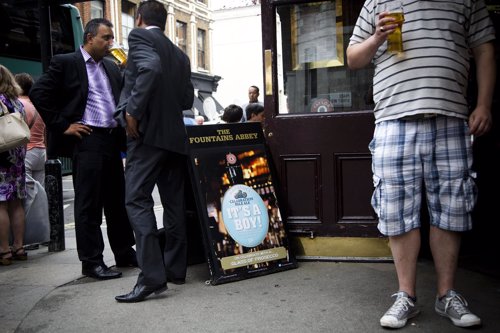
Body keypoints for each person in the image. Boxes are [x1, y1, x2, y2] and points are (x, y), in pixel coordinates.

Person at [347, 1, 495, 329]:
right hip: (393, 119)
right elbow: (353, 58)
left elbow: (484, 49)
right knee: (397, 209)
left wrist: (484, 104)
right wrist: (376, 38)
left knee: (452, 207)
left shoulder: (467, 0)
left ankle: (447, 296)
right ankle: (406, 296)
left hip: (453, 117)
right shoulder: (378, 1)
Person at [29, 18, 137, 280]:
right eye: (106, 38)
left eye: (112, 38)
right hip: (87, 141)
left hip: (112, 141)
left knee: (116, 202)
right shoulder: (66, 63)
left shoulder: (111, 67)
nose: (111, 43)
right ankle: (91, 262)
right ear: (89, 38)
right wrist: (63, 125)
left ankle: (124, 252)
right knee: (89, 205)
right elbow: (39, 93)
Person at [114, 0, 194, 303]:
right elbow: (187, 99)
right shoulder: (180, 54)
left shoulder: (139, 38)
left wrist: (133, 112)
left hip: (145, 136)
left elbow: (150, 68)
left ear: (138, 19)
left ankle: (151, 278)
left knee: (136, 200)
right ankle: (174, 270)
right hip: (174, 138)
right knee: (174, 206)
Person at [0, 65, 28, 265]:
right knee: (16, 203)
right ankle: (19, 246)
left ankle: (4, 250)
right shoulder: (17, 102)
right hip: (17, 156)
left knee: (0, 204)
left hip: (1, 156)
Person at [15, 73, 46, 186]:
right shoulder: (38, 104)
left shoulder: (17, 104)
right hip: (41, 151)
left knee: (27, 193)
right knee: (40, 191)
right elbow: (45, 132)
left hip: (26, 152)